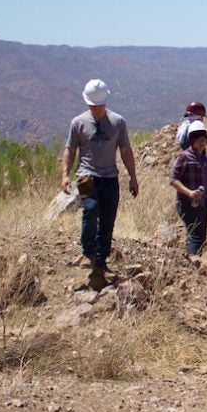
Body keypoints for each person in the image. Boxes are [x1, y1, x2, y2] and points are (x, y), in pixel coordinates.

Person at [61, 79, 139, 291]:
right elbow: (70, 149)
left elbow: (125, 151)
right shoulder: (78, 123)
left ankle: (101, 261)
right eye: (92, 105)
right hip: (88, 175)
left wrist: (133, 177)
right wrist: (65, 175)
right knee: (90, 209)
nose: (96, 108)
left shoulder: (118, 122)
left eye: (99, 104)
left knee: (107, 219)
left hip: (110, 177)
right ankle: (88, 252)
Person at [169, 121, 207, 255]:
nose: (202, 142)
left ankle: (194, 263)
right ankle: (193, 265)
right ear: (192, 140)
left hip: (203, 203)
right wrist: (189, 193)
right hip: (187, 203)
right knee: (196, 237)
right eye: (199, 140)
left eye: (204, 139)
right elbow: (173, 179)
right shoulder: (184, 157)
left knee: (201, 237)